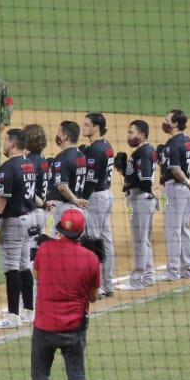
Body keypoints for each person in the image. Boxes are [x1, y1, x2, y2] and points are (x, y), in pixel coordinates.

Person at [26, 208, 101, 380]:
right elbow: (93, 297)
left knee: (40, 375)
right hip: (74, 327)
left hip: (45, 326)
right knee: (76, 375)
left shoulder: (45, 250)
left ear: (60, 229)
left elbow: (36, 275)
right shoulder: (91, 258)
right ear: (81, 232)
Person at [0, 129, 39, 324]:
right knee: (23, 266)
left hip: (12, 222)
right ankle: (28, 310)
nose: (3, 144)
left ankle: (12, 316)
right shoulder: (29, 164)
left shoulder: (8, 168)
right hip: (27, 219)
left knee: (11, 268)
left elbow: (1, 201)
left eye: (5, 141)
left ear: (12, 144)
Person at [156, 110, 190, 281]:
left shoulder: (173, 143)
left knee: (172, 230)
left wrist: (186, 182)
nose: (164, 122)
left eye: (167, 120)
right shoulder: (188, 141)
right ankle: (187, 268)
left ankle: (173, 271)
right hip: (186, 190)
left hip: (176, 188)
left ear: (174, 124)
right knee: (183, 229)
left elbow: (175, 169)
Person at [115, 120, 157, 289]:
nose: (129, 136)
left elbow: (146, 180)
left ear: (141, 134)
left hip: (141, 200)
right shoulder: (142, 151)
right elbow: (139, 177)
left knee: (139, 240)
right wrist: (125, 171)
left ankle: (137, 280)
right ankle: (148, 277)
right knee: (143, 240)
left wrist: (130, 184)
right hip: (142, 199)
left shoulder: (144, 152)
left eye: (131, 132)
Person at [80, 114, 117, 294]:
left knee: (92, 241)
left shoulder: (94, 150)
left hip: (95, 197)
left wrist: (82, 200)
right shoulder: (106, 145)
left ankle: (98, 287)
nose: (83, 128)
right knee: (106, 240)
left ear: (96, 127)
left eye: (87, 125)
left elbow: (91, 180)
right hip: (107, 195)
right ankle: (108, 284)